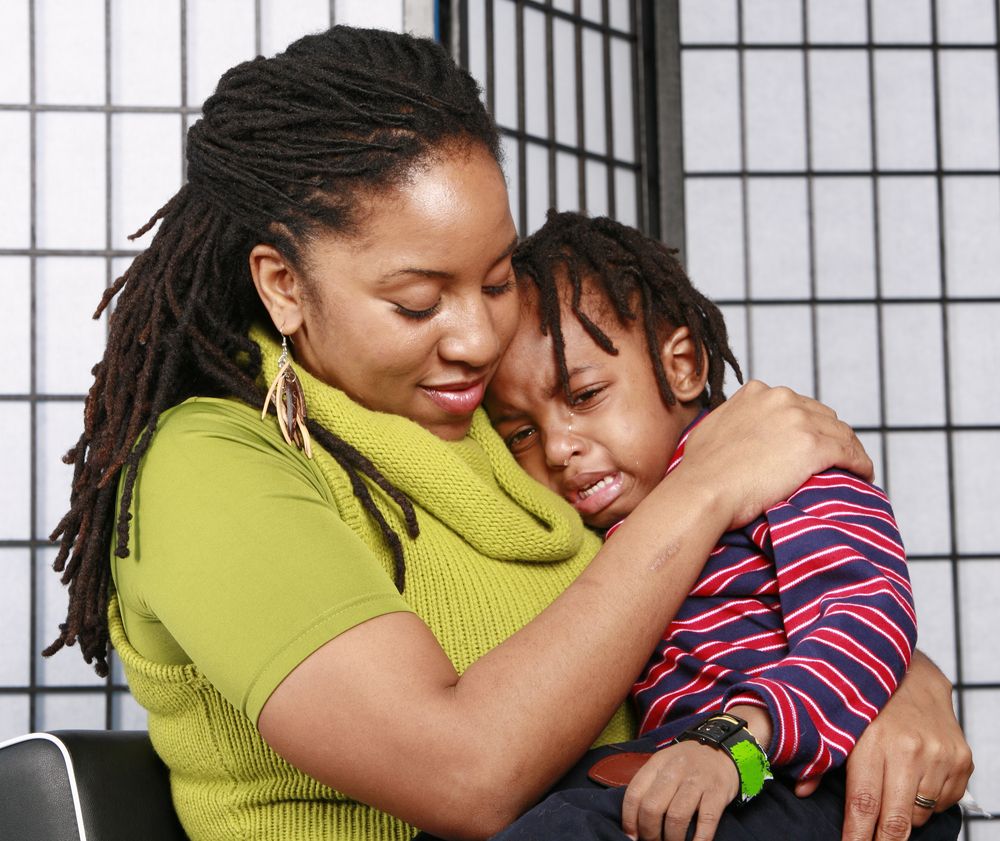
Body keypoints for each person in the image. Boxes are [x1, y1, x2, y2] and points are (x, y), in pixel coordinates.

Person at [42, 25, 971, 841]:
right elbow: (467, 773)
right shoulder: (208, 468)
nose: (479, 338)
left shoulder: (495, 422)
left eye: (495, 280)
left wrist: (889, 684)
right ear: (284, 284)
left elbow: (697, 610)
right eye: (417, 302)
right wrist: (709, 484)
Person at [483, 211, 963, 841]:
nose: (556, 448)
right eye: (520, 432)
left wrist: (735, 738)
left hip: (810, 775)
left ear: (681, 366)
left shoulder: (784, 466)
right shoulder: (620, 523)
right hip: (694, 762)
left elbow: (864, 616)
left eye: (585, 396)